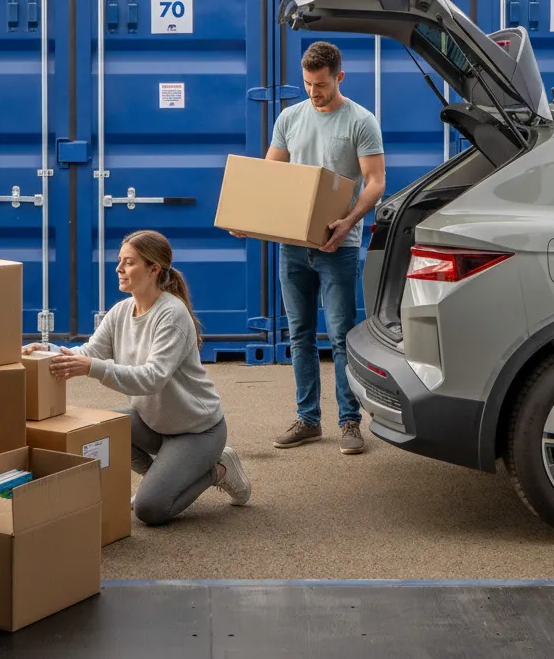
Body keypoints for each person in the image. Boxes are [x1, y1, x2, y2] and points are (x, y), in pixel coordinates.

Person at [26, 229, 251, 526]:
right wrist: (48, 350)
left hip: (198, 431)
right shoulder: (121, 311)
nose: (118, 268)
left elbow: (152, 378)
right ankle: (166, 476)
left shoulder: (172, 314)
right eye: (119, 260)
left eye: (129, 262)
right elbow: (89, 351)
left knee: (150, 509)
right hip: (153, 423)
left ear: (153, 269)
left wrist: (93, 367)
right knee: (99, 430)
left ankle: (218, 469)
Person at [259, 40, 386, 455]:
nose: (314, 92)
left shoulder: (360, 121)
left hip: (339, 245)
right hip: (293, 246)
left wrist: (349, 222)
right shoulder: (289, 118)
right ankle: (308, 419)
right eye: (308, 84)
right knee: (300, 335)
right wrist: (251, 216)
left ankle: (350, 422)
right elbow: (269, 176)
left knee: (340, 336)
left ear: (339, 77)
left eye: (322, 85)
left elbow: (375, 183)